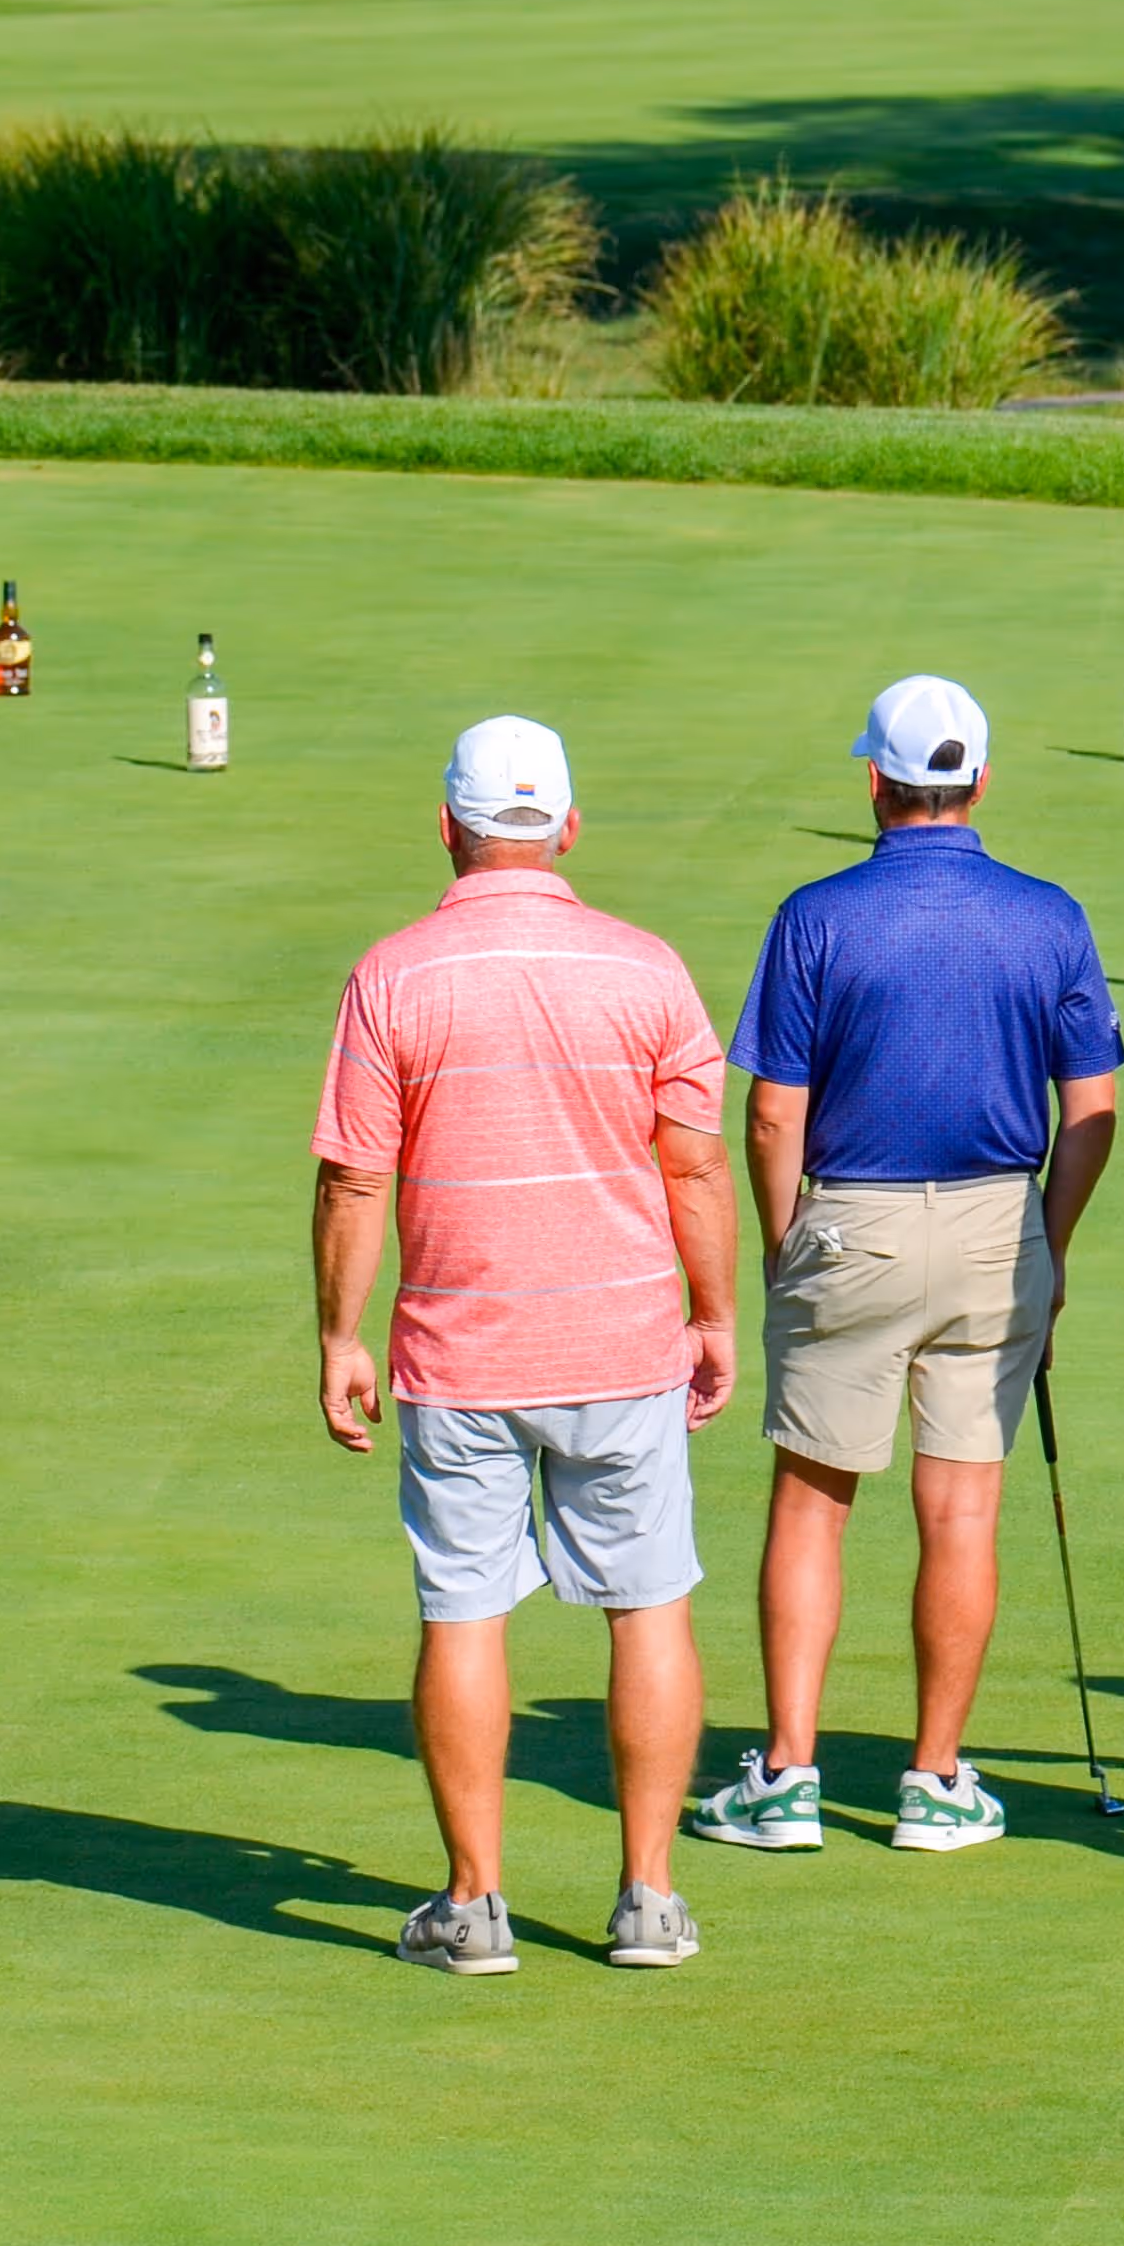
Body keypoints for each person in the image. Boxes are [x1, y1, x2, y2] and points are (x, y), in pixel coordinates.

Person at [313, 716, 741, 1974]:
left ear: (446, 827)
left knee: (462, 1615)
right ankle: (649, 1899)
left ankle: (474, 1903)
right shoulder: (646, 967)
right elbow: (696, 1165)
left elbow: (352, 1182)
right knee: (648, 1606)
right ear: (565, 827)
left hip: (459, 1351)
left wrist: (340, 1333)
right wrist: (712, 1315)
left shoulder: (392, 972)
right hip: (619, 1341)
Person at [692, 676, 1123, 1858]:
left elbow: (774, 1116)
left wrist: (785, 1245)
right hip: (999, 1228)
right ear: (977, 781)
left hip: (851, 1221)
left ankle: (786, 1779)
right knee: (962, 1507)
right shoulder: (1049, 916)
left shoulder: (816, 913)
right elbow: (1091, 1109)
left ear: (874, 782)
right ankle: (933, 1781)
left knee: (812, 1502)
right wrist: (1052, 1243)